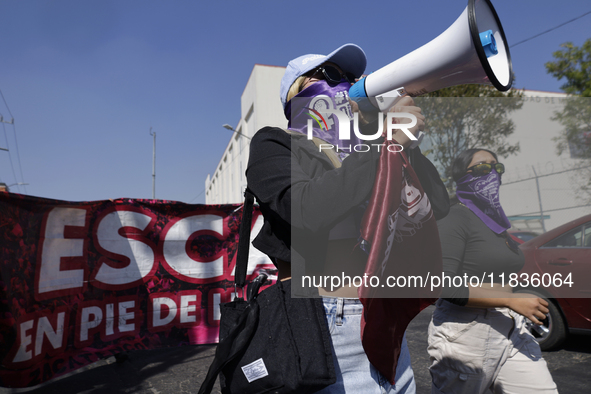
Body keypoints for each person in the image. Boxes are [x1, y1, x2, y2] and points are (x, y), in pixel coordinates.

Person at [245, 44, 426, 393]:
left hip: (384, 318)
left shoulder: (368, 148)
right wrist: (387, 146)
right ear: (295, 93)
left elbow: (435, 208)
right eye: (331, 75)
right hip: (326, 322)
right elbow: (305, 211)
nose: (344, 84)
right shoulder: (275, 143)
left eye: (350, 78)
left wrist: (407, 145)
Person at [428, 148, 558, 394]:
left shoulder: (495, 223)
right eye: (481, 168)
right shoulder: (454, 218)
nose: (492, 173)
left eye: (496, 167)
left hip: (512, 327)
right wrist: (511, 299)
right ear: (461, 175)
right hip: (467, 331)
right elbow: (441, 284)